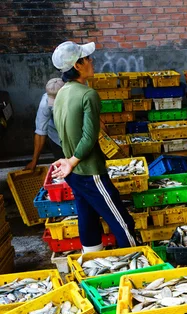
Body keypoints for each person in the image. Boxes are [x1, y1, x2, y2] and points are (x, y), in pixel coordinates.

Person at [50, 41, 137, 253]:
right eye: (87, 58)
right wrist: (73, 160)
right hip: (89, 171)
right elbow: (89, 138)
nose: (91, 61)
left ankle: (91, 261)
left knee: (87, 217)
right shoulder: (88, 94)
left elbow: (65, 129)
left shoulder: (62, 92)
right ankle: (137, 263)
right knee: (123, 222)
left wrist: (69, 159)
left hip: (74, 172)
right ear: (77, 66)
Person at [25, 78, 65, 170]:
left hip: (75, 137)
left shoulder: (76, 97)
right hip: (57, 138)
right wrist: (34, 161)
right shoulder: (45, 104)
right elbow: (40, 133)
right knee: (62, 168)